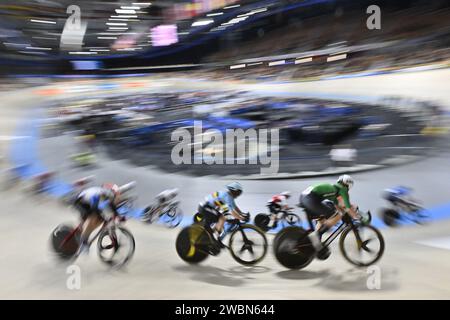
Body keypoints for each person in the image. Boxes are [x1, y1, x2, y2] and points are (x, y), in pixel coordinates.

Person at [300, 175, 367, 258]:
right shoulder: (343, 189)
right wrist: (359, 218)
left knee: (324, 218)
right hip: (310, 198)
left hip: (306, 197)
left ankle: (316, 243)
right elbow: (347, 207)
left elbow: (340, 206)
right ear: (348, 185)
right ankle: (316, 235)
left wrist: (347, 210)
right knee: (337, 215)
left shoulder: (335, 189)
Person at [73, 182, 129, 255]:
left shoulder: (106, 194)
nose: (117, 199)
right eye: (117, 196)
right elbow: (96, 207)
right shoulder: (102, 194)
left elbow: (112, 208)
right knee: (94, 218)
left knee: (99, 218)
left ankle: (82, 234)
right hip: (80, 202)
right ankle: (83, 242)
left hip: (86, 201)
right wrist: (116, 216)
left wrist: (118, 216)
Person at [198, 182, 249, 247]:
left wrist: (242, 213)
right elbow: (232, 212)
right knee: (222, 217)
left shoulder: (229, 196)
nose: (239, 195)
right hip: (205, 207)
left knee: (223, 218)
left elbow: (235, 207)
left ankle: (212, 235)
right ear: (234, 191)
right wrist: (242, 218)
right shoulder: (227, 196)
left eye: (240, 193)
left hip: (209, 207)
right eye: (238, 192)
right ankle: (214, 236)